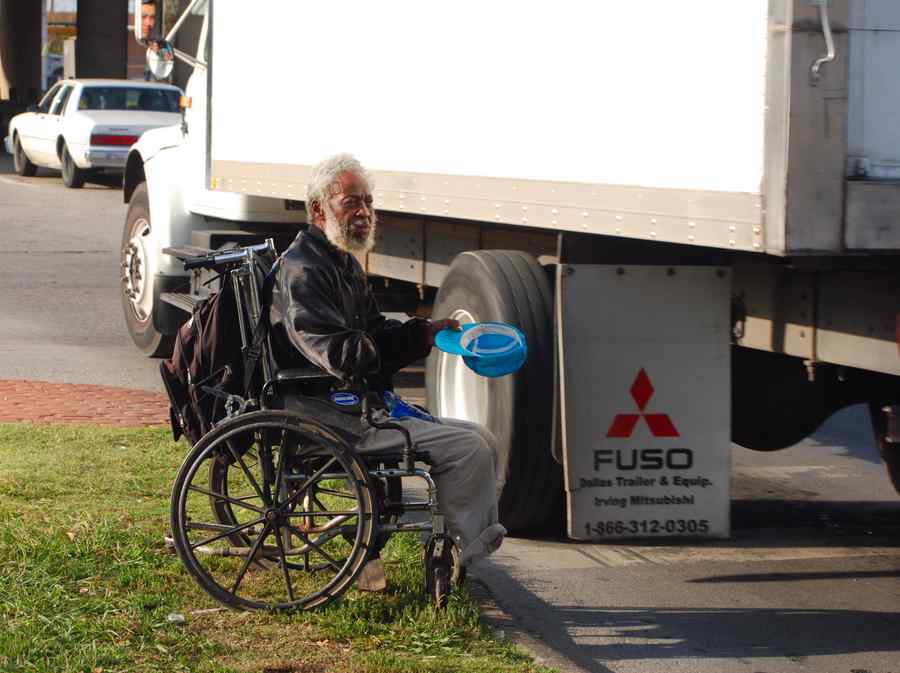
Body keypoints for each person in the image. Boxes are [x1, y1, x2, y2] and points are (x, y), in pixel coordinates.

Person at [268, 154, 506, 585]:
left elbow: (374, 333)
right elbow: (338, 354)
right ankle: (462, 551)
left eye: (369, 202)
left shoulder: (339, 262)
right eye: (351, 202)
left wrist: (425, 333)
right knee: (466, 449)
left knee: (481, 437)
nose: (364, 212)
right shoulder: (304, 269)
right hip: (331, 412)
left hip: (354, 403)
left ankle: (462, 544)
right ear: (320, 210)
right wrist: (408, 340)